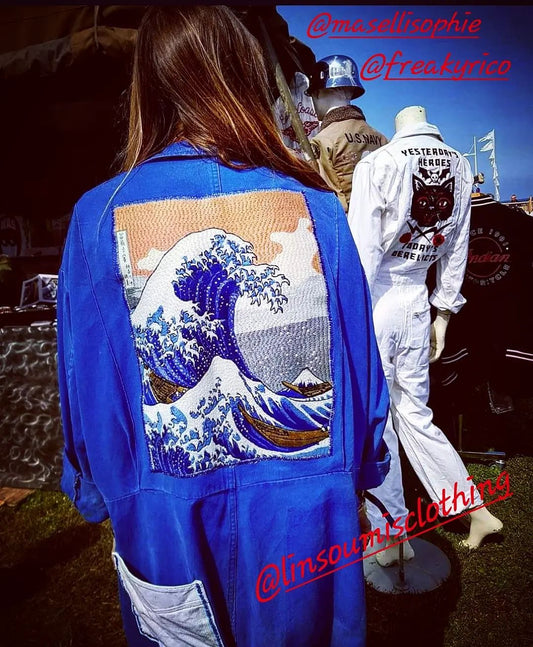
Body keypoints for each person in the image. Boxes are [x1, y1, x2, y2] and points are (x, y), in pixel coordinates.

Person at [56, 7, 390, 647]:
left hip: (163, 519)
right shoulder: (317, 206)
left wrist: (90, 485)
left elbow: (79, 378)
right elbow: (361, 364)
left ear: (150, 82)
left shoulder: (96, 217)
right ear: (246, 75)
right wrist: (367, 457)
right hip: (306, 521)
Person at [347, 105, 503, 566]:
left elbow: (363, 250)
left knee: (379, 419)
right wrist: (444, 315)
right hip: (418, 300)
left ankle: (391, 533)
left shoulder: (377, 163)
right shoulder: (460, 166)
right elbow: (457, 249)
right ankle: (474, 510)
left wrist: (353, 314)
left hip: (378, 299)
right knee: (415, 414)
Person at [307, 55, 387, 213]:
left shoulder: (322, 141)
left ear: (317, 93)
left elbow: (330, 202)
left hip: (349, 224)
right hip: (385, 223)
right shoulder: (384, 140)